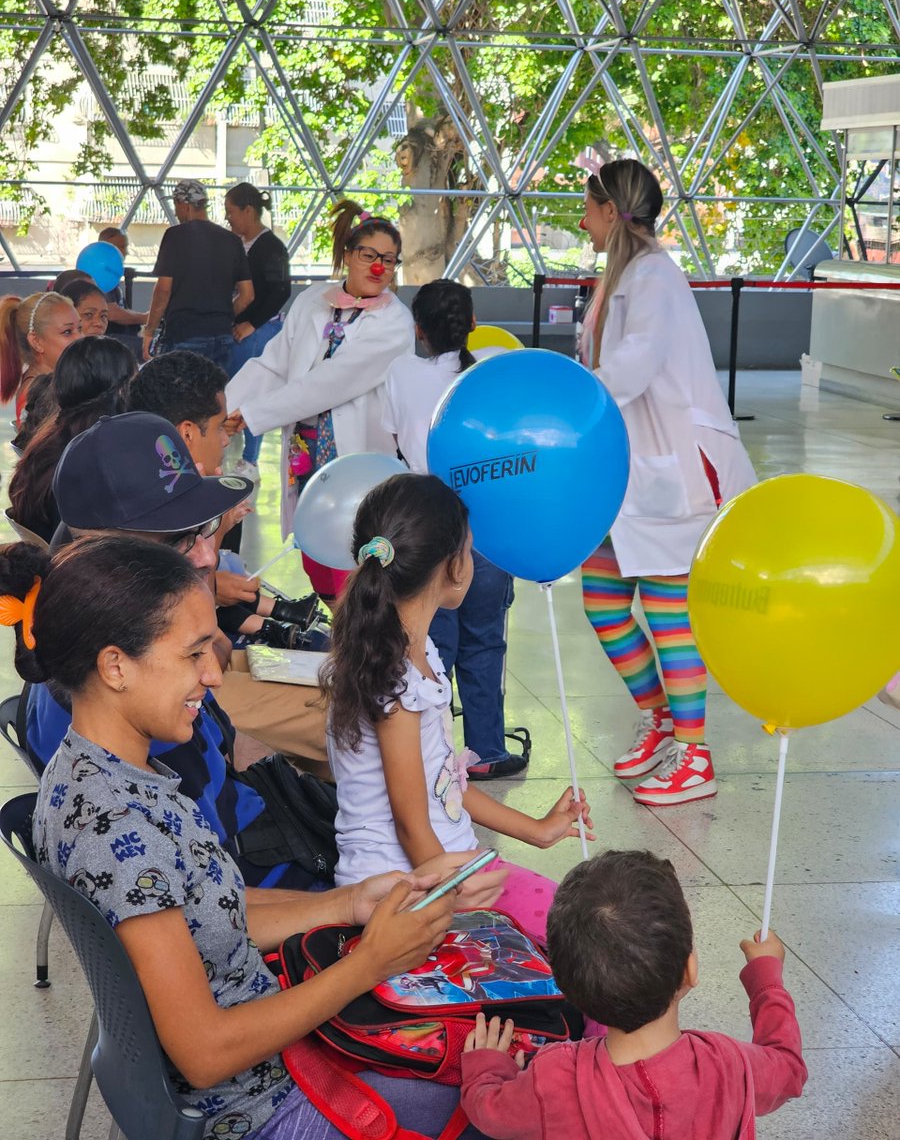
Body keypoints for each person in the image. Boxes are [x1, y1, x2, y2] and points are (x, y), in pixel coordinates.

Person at [0, 534, 501, 1139]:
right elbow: (205, 1053)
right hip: (261, 1110)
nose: (213, 675)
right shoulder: (118, 826)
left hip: (270, 1066)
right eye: (192, 656)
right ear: (115, 666)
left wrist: (351, 900)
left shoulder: (99, 772)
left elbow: (203, 911)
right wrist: (370, 962)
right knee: (509, 1088)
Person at [322, 472, 594, 944]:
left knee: (577, 929)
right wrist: (454, 896)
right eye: (469, 548)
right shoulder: (397, 681)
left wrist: (538, 831)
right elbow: (409, 825)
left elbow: (444, 782)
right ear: (452, 566)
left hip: (444, 871)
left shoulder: (412, 653)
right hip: (404, 894)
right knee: (582, 938)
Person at [577, 159, 756, 806]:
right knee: (601, 598)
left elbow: (633, 365)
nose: (581, 221)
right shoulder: (621, 275)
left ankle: (696, 754)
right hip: (630, 474)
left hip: (674, 471)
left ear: (608, 210)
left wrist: (573, 399)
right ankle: (660, 720)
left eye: (587, 207)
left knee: (666, 608)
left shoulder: (654, 275)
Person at [39, 411, 330, 770]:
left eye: (203, 529)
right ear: (106, 547)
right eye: (179, 539)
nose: (208, 556)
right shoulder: (138, 693)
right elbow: (214, 805)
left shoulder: (109, 621)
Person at [461, 850, 807, 1139]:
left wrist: (487, 1067)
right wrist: (766, 978)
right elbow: (789, 1069)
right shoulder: (730, 1064)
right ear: (690, 971)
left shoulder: (554, 1075)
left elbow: (490, 1112)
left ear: (566, 986)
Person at [226, 199, 414, 598]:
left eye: (389, 259)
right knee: (314, 548)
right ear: (348, 254)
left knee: (355, 556)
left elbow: (329, 383)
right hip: (304, 451)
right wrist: (224, 408)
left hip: (357, 456)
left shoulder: (395, 322)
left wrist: (256, 413)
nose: (379, 267)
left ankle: (356, 645)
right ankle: (339, 635)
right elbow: (274, 362)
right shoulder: (312, 301)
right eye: (369, 255)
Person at [382, 279, 527, 780]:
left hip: (425, 530)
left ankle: (434, 754)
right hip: (485, 532)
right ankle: (486, 751)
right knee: (485, 643)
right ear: (472, 323)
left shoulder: (400, 372)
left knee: (428, 644)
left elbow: (396, 439)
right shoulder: (488, 369)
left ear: (417, 329)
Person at [129, 351, 322, 648]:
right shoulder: (159, 513)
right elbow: (211, 642)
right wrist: (217, 532)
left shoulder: (136, 478)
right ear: (188, 434)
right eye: (220, 426)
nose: (225, 440)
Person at [8, 335, 137, 542]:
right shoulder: (97, 464)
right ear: (121, 391)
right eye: (134, 382)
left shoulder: (49, 441)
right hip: (84, 566)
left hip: (52, 562)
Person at [142, 179, 253, 369]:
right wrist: (221, 316)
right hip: (222, 337)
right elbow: (247, 295)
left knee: (181, 396)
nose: (176, 212)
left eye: (175, 205)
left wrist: (149, 331)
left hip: (185, 335)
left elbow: (163, 290)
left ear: (184, 204)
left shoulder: (175, 235)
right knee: (214, 396)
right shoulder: (232, 240)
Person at [224, 182, 292, 481]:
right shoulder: (235, 244)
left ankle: (250, 459)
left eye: (231, 212)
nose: (228, 219)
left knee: (252, 392)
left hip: (259, 331)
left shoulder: (271, 247)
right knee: (233, 392)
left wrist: (253, 324)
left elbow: (280, 291)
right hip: (237, 330)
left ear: (248, 211)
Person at [0, 291, 82, 426]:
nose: (80, 337)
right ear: (36, 342)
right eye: (67, 332)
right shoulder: (38, 396)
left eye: (80, 328)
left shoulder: (56, 383)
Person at [97, 226, 149, 347]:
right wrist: (146, 318)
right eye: (122, 247)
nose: (126, 252)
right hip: (108, 339)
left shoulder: (111, 276)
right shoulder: (99, 276)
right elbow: (113, 313)